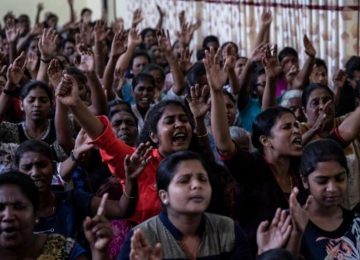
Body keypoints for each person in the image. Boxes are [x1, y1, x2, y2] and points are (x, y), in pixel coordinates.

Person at [55, 73, 211, 225]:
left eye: (184, 120)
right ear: (154, 136)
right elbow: (106, 139)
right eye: (170, 121)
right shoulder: (139, 161)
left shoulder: (198, 163)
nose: (179, 125)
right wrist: (76, 104)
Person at [205, 47, 304, 253]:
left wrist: (271, 79)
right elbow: (223, 141)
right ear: (266, 140)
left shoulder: (301, 167)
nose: (296, 131)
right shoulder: (252, 167)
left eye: (296, 126)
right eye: (287, 127)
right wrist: (216, 92)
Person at [119, 151, 252, 259]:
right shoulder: (141, 238)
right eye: (184, 180)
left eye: (203, 179)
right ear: (164, 196)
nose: (197, 185)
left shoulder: (229, 229)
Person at [14, 139, 136, 243]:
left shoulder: (74, 200)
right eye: (27, 167)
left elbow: (121, 209)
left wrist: (130, 180)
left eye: (42, 165)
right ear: (17, 171)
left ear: (53, 167)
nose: (35, 173)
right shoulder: (9, 212)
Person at [0, 170, 112, 260]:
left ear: (36, 215)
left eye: (19, 207)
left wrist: (99, 253)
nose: (8, 216)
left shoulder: (63, 249)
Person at [300, 83, 360, 209]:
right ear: (304, 111)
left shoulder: (346, 122)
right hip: (321, 212)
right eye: (315, 103)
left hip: (359, 208)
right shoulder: (299, 131)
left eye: (327, 100)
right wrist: (315, 129)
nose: (322, 106)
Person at [299, 139, 360, 259]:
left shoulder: (359, 225)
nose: (332, 188)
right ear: (305, 181)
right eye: (322, 181)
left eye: (340, 179)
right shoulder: (292, 226)